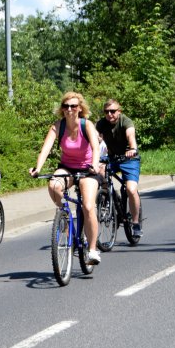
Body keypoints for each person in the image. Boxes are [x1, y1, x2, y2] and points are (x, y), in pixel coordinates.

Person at [29, 91, 102, 264]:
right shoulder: (58, 126)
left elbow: (95, 147)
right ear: (62, 109)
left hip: (87, 169)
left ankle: (92, 250)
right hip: (67, 167)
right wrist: (37, 168)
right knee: (53, 185)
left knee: (88, 206)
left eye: (73, 106)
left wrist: (95, 164)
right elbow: (45, 149)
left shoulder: (87, 125)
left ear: (80, 108)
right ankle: (65, 216)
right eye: (66, 106)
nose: (69, 109)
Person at [95, 98, 143, 238]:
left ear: (119, 111)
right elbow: (94, 137)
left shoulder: (125, 121)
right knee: (99, 171)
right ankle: (108, 195)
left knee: (131, 189)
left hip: (129, 159)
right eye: (106, 112)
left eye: (113, 111)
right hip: (112, 158)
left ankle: (135, 223)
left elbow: (131, 135)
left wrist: (132, 148)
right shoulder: (102, 124)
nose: (110, 114)